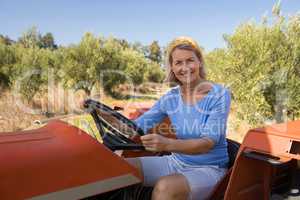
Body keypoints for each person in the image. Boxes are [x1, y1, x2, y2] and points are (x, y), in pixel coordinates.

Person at [127, 36, 231, 200]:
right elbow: (138, 126)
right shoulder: (171, 98)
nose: (185, 67)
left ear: (199, 62)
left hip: (210, 168)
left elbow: (206, 144)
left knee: (165, 188)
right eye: (178, 63)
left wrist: (167, 144)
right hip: (175, 162)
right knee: (121, 168)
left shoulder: (219, 94)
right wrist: (108, 118)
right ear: (172, 68)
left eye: (190, 60)